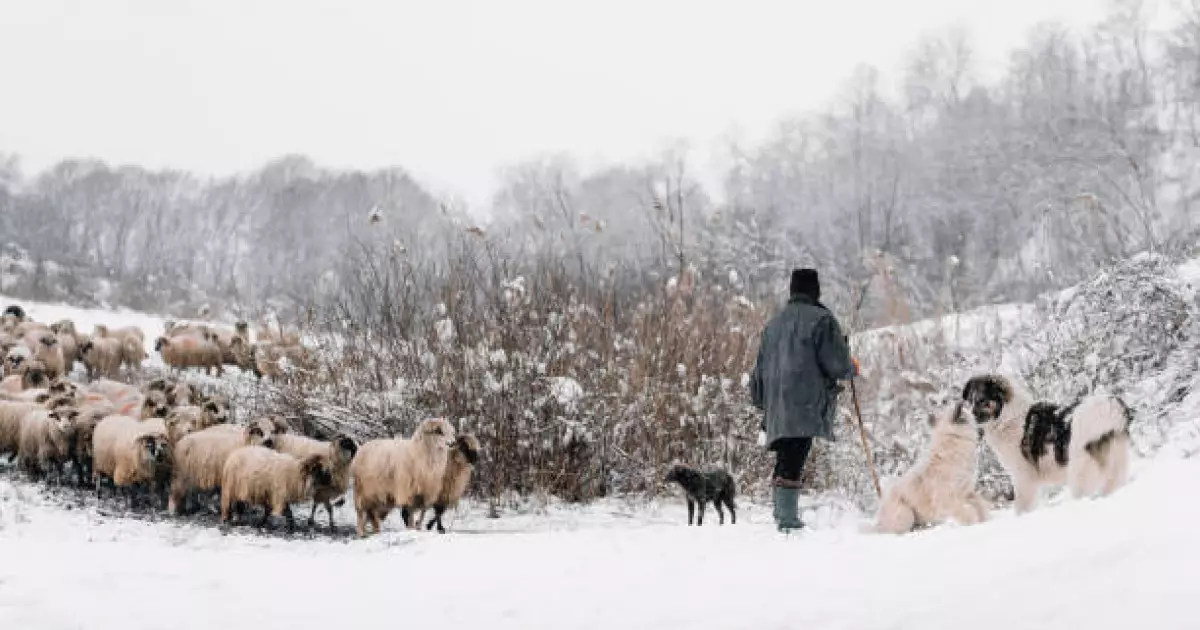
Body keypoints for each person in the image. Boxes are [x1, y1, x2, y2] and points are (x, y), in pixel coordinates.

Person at [750, 268, 857, 532]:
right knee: (793, 458)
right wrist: (852, 366)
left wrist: (763, 401)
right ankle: (787, 521)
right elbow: (838, 365)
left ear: (792, 290)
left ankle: (782, 515)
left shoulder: (773, 324)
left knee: (786, 456)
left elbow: (758, 372)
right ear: (816, 290)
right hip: (805, 402)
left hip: (776, 403)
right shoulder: (822, 320)